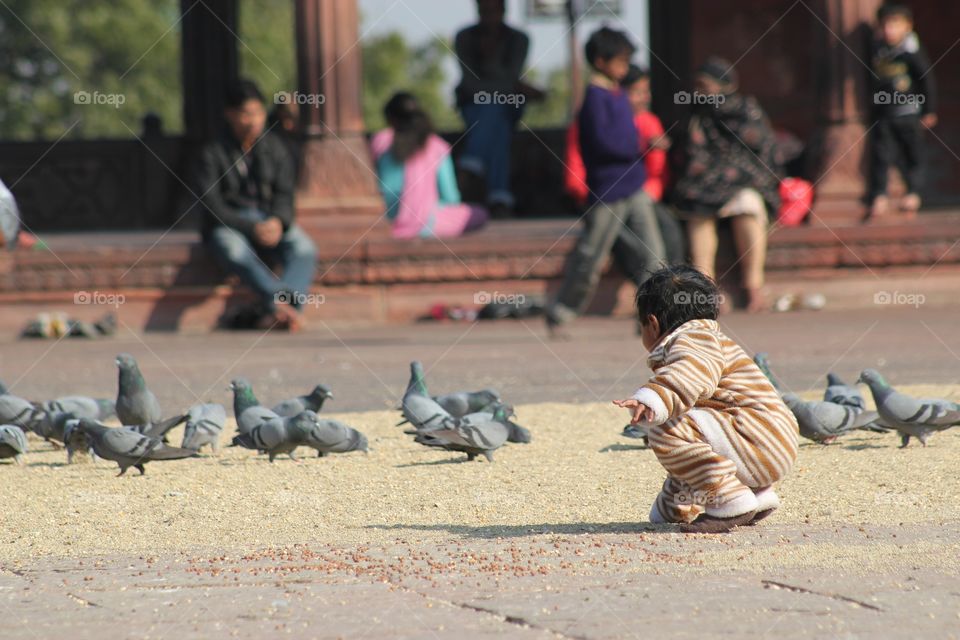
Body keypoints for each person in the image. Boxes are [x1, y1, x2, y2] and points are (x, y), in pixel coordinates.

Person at [612, 265, 798, 533]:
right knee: (688, 441)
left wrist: (654, 397)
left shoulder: (693, 338)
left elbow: (692, 372)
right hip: (766, 442)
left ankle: (730, 500)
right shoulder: (709, 337)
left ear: (651, 323)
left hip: (757, 436)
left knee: (666, 427)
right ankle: (751, 494)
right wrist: (670, 509)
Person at [546, 27, 665, 334]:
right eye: (621, 60)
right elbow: (606, 144)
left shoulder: (618, 95)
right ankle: (561, 312)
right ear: (601, 61)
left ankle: (649, 318)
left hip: (633, 184)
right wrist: (643, 145)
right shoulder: (594, 100)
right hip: (607, 189)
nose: (625, 67)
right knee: (591, 256)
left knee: (652, 254)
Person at [194, 79, 317, 332]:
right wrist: (251, 227)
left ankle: (277, 309)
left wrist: (278, 221)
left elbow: (285, 195)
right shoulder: (212, 153)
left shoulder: (274, 147)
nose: (254, 121)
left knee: (304, 248)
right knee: (232, 249)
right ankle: (282, 303)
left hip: (268, 218)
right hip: (231, 223)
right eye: (246, 114)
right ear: (230, 114)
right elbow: (211, 204)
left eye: (259, 113)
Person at [671, 57, 780, 313]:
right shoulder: (695, 114)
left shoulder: (745, 109)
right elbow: (690, 153)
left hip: (743, 180)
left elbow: (761, 148)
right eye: (698, 85)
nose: (701, 90)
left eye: (705, 84)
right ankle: (704, 290)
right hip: (704, 185)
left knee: (748, 207)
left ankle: (754, 287)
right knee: (698, 215)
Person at [565, 64, 685, 267]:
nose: (644, 98)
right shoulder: (593, 120)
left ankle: (666, 291)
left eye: (645, 91)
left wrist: (643, 193)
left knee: (668, 234)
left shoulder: (648, 122)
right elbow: (574, 169)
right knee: (616, 244)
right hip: (604, 197)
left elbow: (657, 173)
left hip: (640, 197)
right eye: (636, 92)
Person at [454, 0, 543, 216]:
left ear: (503, 11)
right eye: (485, 11)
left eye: (494, 11)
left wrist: (492, 65)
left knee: (495, 106)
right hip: (477, 108)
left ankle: (472, 161)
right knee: (498, 126)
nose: (489, 17)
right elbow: (471, 84)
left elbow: (510, 78)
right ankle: (499, 196)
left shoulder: (519, 39)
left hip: (506, 105)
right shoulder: (465, 38)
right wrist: (510, 86)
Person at [371, 92, 488, 239]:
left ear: (390, 119)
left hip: (385, 220)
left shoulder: (381, 140)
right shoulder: (436, 145)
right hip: (426, 224)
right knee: (478, 214)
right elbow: (451, 197)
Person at [867, 3, 937, 220]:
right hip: (885, 114)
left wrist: (929, 110)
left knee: (912, 154)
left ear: (907, 26)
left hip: (909, 112)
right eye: (886, 25)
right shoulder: (878, 50)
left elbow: (926, 81)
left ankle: (913, 193)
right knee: (882, 154)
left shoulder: (911, 51)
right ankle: (879, 194)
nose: (890, 30)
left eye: (895, 24)